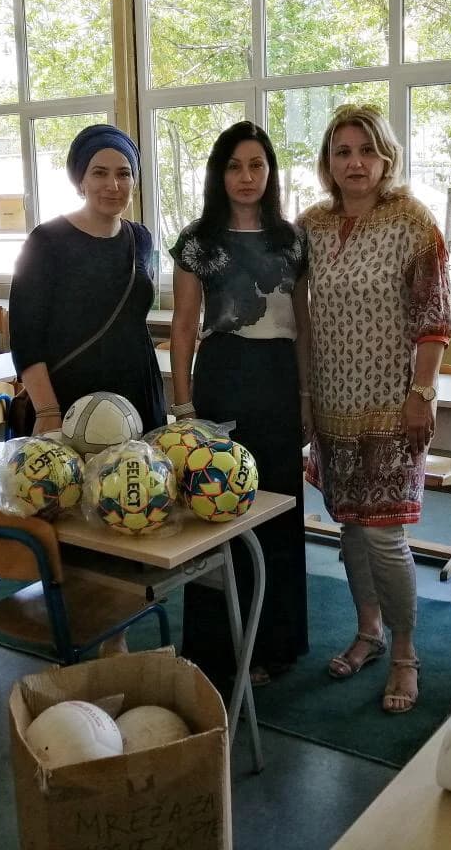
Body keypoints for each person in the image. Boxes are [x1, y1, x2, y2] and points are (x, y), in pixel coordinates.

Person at [301, 104, 451, 715]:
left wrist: (422, 394)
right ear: (328, 162)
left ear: (386, 157)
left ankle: (405, 653)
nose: (355, 163)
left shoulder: (412, 222)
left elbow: (434, 319)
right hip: (333, 407)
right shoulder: (311, 226)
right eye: (342, 152)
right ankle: (368, 631)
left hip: (393, 406)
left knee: (385, 536)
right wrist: (306, 398)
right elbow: (299, 311)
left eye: (367, 150)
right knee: (351, 529)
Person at [170, 121, 310, 690]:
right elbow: (183, 326)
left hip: (278, 381)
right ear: (219, 174)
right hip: (222, 378)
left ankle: (276, 643)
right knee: (217, 506)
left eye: (257, 165)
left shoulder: (292, 240)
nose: (246, 177)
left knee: (277, 507)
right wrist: (182, 406)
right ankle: (218, 648)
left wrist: (305, 396)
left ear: (270, 172)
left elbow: (303, 325)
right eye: (234, 166)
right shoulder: (198, 240)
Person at [8, 124, 166, 441]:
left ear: (134, 181)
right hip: (70, 399)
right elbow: (25, 337)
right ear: (81, 181)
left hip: (139, 392)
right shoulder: (47, 241)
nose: (113, 185)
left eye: (123, 174)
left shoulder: (141, 238)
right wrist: (47, 411)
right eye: (99, 173)